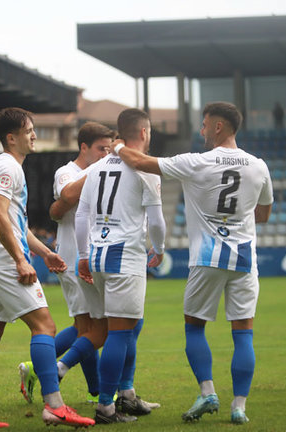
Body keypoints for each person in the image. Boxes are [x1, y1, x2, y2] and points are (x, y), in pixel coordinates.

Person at [110, 102, 273, 424]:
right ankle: (239, 406)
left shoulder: (196, 162)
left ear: (218, 127)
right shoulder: (259, 166)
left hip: (207, 257)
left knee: (194, 326)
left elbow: (140, 160)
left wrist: (115, 144)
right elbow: (264, 214)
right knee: (244, 332)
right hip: (243, 257)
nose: (201, 130)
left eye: (204, 124)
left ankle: (207, 390)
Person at [0, 107, 94, 429]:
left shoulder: (4, 165)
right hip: (7, 260)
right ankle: (55, 407)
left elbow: (13, 221)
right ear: (12, 137)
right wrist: (21, 259)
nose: (34, 135)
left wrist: (45, 253)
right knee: (45, 327)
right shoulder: (9, 166)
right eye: (29, 130)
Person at [76, 108, 166, 424]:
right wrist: (161, 248)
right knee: (119, 333)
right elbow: (156, 220)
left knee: (127, 328)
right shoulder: (145, 169)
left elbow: (81, 214)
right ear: (143, 133)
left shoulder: (97, 166)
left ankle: (125, 394)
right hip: (124, 256)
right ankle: (106, 407)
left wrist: (83, 255)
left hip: (98, 256)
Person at [18, 122, 114, 405]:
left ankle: (48, 372)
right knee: (93, 328)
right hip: (72, 259)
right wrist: (100, 168)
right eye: (101, 149)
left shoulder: (104, 172)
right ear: (84, 147)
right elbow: (68, 196)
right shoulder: (67, 171)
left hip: (93, 257)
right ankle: (91, 389)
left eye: (109, 149)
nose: (106, 154)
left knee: (88, 328)